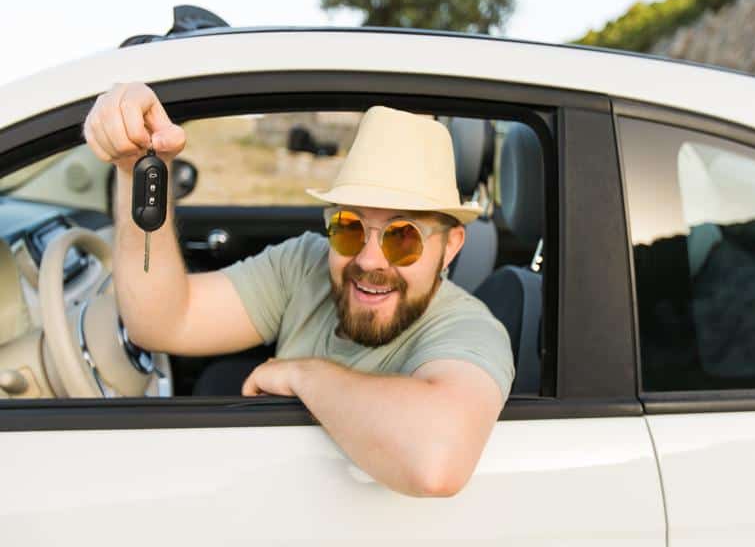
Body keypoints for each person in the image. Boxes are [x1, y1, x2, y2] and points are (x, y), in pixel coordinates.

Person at [83, 83, 514, 497]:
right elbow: (162, 321)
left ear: (450, 246)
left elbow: (435, 461)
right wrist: (137, 167)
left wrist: (301, 374)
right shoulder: (305, 263)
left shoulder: (470, 329)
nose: (368, 261)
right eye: (348, 228)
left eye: (404, 237)